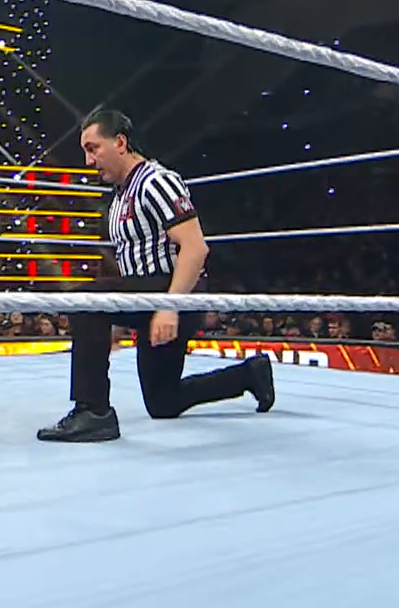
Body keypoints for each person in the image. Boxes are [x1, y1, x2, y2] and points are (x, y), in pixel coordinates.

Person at [36, 107, 273, 443]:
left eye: (93, 148)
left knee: (85, 299)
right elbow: (131, 267)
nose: (89, 161)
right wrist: (118, 319)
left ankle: (93, 412)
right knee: (163, 401)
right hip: (148, 297)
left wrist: (168, 306)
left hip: (173, 290)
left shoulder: (156, 181)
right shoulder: (121, 196)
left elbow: (195, 247)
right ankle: (250, 374)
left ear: (120, 142)